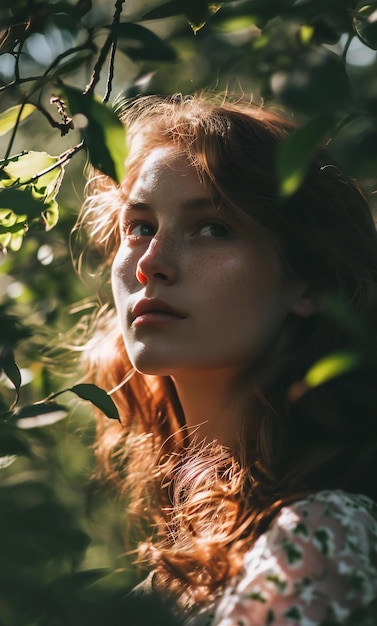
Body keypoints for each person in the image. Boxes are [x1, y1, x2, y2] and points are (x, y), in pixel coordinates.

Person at [76, 93, 377, 625]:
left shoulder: (319, 534)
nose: (152, 264)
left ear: (308, 281)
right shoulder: (173, 575)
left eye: (211, 228)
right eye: (140, 226)